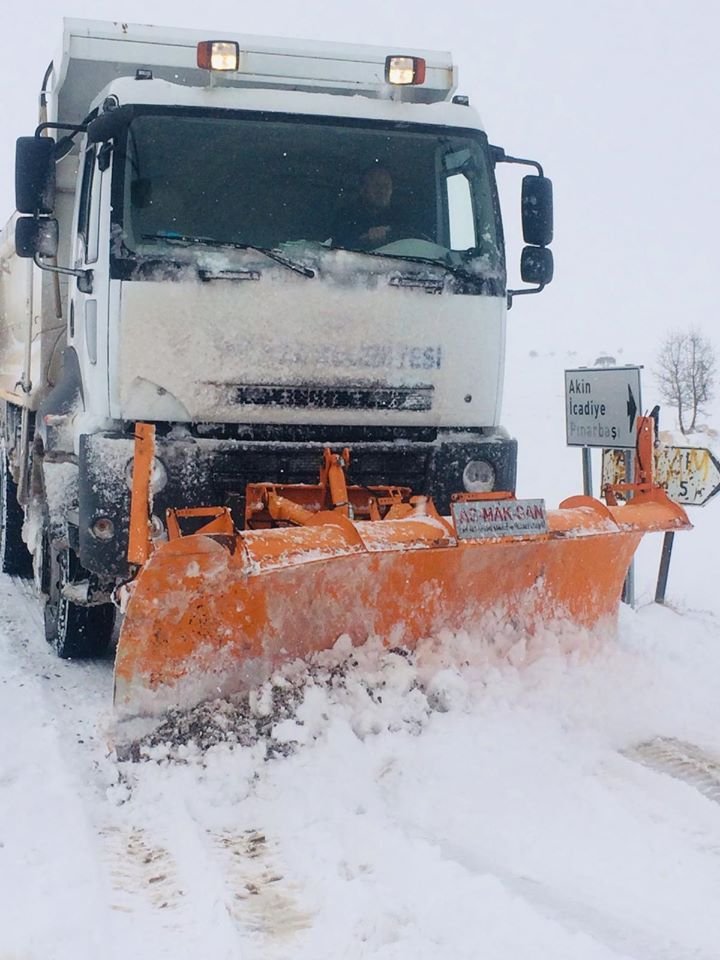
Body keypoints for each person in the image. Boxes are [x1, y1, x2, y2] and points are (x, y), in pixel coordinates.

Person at [332, 166, 398, 250]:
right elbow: (337, 248)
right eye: (377, 185)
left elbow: (411, 241)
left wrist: (390, 235)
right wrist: (366, 239)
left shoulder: (401, 217)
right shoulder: (345, 216)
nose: (382, 191)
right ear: (362, 190)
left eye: (386, 186)